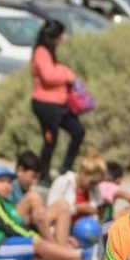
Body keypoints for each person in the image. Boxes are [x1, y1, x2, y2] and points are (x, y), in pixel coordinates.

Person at [0, 165, 84, 260]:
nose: (7, 185)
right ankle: (83, 255)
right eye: (1, 181)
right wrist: (33, 236)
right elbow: (8, 225)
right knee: (37, 244)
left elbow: (18, 225)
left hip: (9, 242)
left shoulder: (6, 202)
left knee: (43, 257)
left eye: (9, 182)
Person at [30, 19, 85, 178]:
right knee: (50, 141)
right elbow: (49, 76)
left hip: (60, 105)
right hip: (46, 105)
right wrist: (67, 75)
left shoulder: (48, 52)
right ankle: (43, 174)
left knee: (78, 131)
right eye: (60, 36)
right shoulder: (41, 51)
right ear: (54, 36)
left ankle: (65, 167)